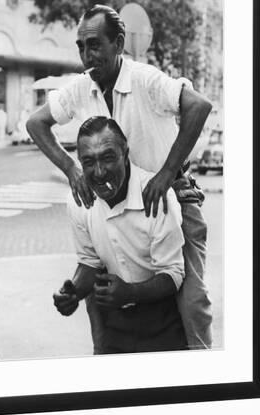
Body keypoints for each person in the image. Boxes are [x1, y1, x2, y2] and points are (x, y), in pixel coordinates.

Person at [27, 4, 213, 349]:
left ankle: (199, 382)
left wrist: (167, 172)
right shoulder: (81, 87)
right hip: (110, 202)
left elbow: (198, 106)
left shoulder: (144, 78)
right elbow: (36, 123)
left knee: (191, 303)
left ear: (119, 44)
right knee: (98, 297)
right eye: (81, 47)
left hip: (165, 196)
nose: (87, 56)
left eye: (95, 45)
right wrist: (71, 169)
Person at [53, 117, 187, 354]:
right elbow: (89, 263)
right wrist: (73, 292)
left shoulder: (157, 196)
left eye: (108, 158)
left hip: (163, 323)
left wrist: (130, 292)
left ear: (125, 154)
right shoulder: (79, 202)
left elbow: (173, 274)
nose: (99, 171)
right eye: (88, 162)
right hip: (113, 324)